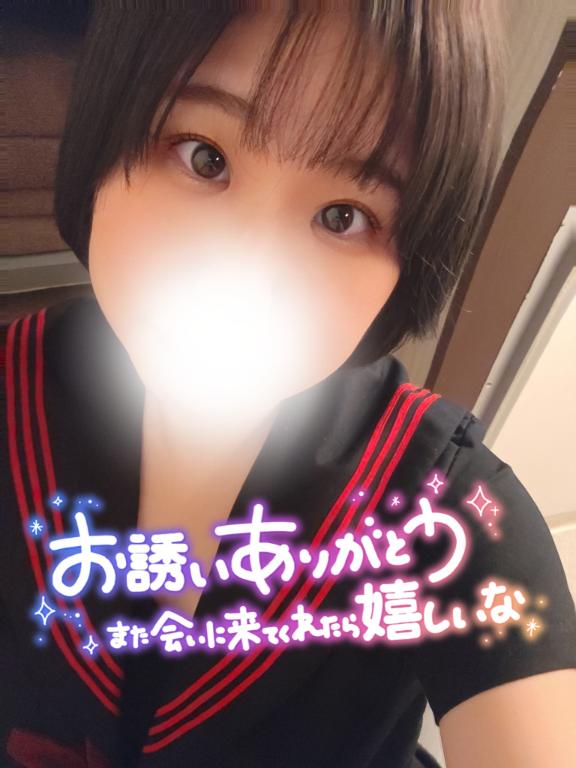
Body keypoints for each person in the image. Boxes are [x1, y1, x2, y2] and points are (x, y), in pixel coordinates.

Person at [1, 3, 575, 767]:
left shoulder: (442, 512)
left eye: (342, 216)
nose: (245, 271)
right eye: (204, 157)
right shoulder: (13, 394)